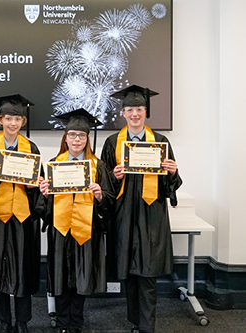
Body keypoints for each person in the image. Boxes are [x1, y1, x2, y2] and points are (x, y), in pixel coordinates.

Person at [101, 85, 182, 333]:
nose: (135, 114)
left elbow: (172, 183)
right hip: (124, 214)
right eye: (130, 110)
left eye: (139, 109)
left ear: (146, 112)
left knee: (147, 274)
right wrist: (114, 177)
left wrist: (173, 172)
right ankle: (135, 322)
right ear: (123, 113)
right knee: (129, 273)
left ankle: (148, 327)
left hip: (151, 214)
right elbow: (103, 185)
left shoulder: (160, 141)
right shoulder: (113, 142)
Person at [39, 109, 115, 333]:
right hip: (60, 229)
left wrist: (100, 195)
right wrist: (44, 194)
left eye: (81, 136)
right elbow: (44, 207)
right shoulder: (54, 164)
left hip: (86, 228)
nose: (76, 140)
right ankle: (63, 322)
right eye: (72, 135)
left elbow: (110, 202)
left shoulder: (98, 166)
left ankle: (77, 321)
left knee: (82, 277)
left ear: (87, 139)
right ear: (65, 137)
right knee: (61, 277)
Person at [0, 94, 42, 333]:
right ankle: (4, 320)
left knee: (22, 269)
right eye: (8, 118)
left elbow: (39, 184)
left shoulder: (31, 147)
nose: (13, 123)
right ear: (0, 120)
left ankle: (23, 321)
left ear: (23, 122)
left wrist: (34, 185)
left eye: (17, 119)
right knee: (0, 269)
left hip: (22, 217)